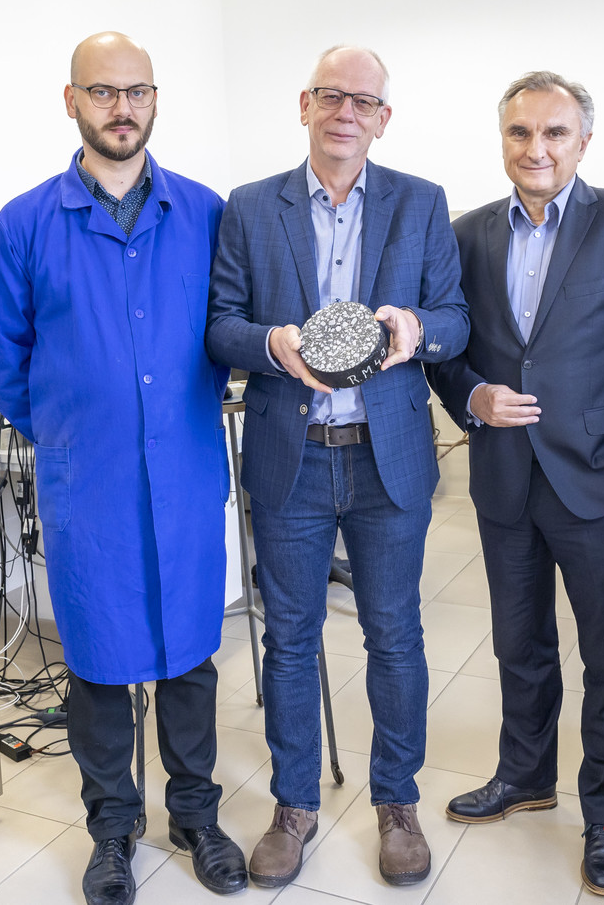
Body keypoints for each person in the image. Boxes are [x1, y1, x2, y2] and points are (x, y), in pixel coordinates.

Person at [0, 32, 246, 905]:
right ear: (72, 102)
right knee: (95, 660)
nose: (121, 108)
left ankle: (195, 816)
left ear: (155, 100)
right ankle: (112, 828)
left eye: (137, 92)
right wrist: (68, 427)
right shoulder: (25, 223)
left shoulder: (204, 213)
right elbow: (0, 356)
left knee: (190, 655)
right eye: (103, 92)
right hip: (87, 483)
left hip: (187, 476)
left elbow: (230, 330)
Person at [428, 71, 604, 897]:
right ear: (502, 139)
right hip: (505, 479)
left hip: (600, 479)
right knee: (519, 644)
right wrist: (471, 396)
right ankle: (525, 774)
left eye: (554, 133)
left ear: (584, 141)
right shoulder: (467, 233)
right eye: (520, 133)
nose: (536, 148)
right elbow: (447, 347)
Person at [206, 45, 468, 889]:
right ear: (305, 105)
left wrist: (418, 329)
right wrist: (272, 344)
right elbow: (220, 325)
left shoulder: (421, 202)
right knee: (289, 639)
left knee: (395, 635)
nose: (346, 112)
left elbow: (456, 318)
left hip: (387, 458)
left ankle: (397, 801)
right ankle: (293, 806)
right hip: (293, 458)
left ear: (384, 118)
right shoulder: (252, 206)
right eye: (331, 96)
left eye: (364, 101)